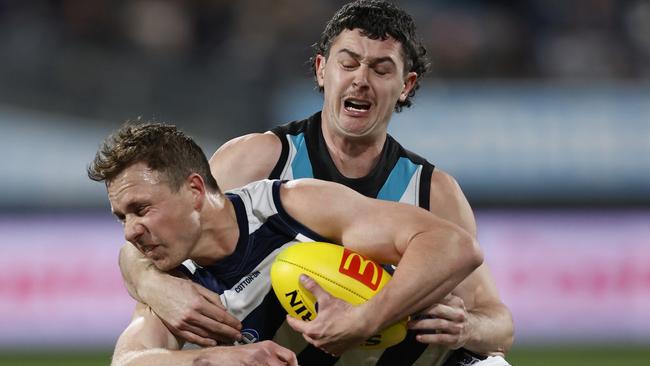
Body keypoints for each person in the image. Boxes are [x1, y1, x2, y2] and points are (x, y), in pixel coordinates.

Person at [118, 1, 515, 365]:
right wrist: (153, 285)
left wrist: (469, 328)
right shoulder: (256, 159)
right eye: (349, 63)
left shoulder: (433, 191)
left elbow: (497, 322)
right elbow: (164, 233)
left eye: (380, 69)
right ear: (323, 70)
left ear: (406, 86)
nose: (361, 80)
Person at [88, 122, 482, 366]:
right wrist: (222, 359)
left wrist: (365, 319)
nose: (130, 231)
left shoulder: (291, 206)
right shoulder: (170, 282)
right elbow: (130, 360)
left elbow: (451, 244)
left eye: (141, 209)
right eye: (122, 217)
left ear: (194, 190)